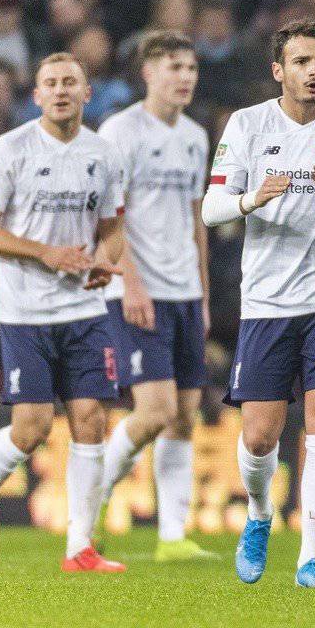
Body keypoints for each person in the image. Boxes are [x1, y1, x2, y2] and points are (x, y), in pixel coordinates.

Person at [201, 19, 315, 589]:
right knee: (259, 438)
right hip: (268, 302)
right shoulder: (248, 125)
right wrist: (254, 198)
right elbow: (211, 210)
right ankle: (258, 513)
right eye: (302, 62)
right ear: (279, 70)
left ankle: (312, 557)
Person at [0, 53, 126, 572]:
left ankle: (79, 547)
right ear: (36, 96)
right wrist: (45, 252)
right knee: (31, 428)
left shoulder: (104, 153)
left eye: (69, 82)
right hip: (26, 310)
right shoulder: (11, 149)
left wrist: (104, 261)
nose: (60, 91)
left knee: (91, 420)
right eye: (50, 83)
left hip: (85, 308)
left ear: (86, 92)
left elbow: (114, 228)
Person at [96, 31, 214, 562]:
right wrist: (132, 284)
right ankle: (90, 500)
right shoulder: (120, 132)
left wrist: (204, 296)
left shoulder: (195, 136)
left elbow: (197, 219)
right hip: (136, 291)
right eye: (173, 67)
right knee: (154, 412)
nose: (184, 76)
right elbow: (109, 219)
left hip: (185, 292)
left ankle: (172, 538)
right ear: (147, 73)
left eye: (190, 67)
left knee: (185, 418)